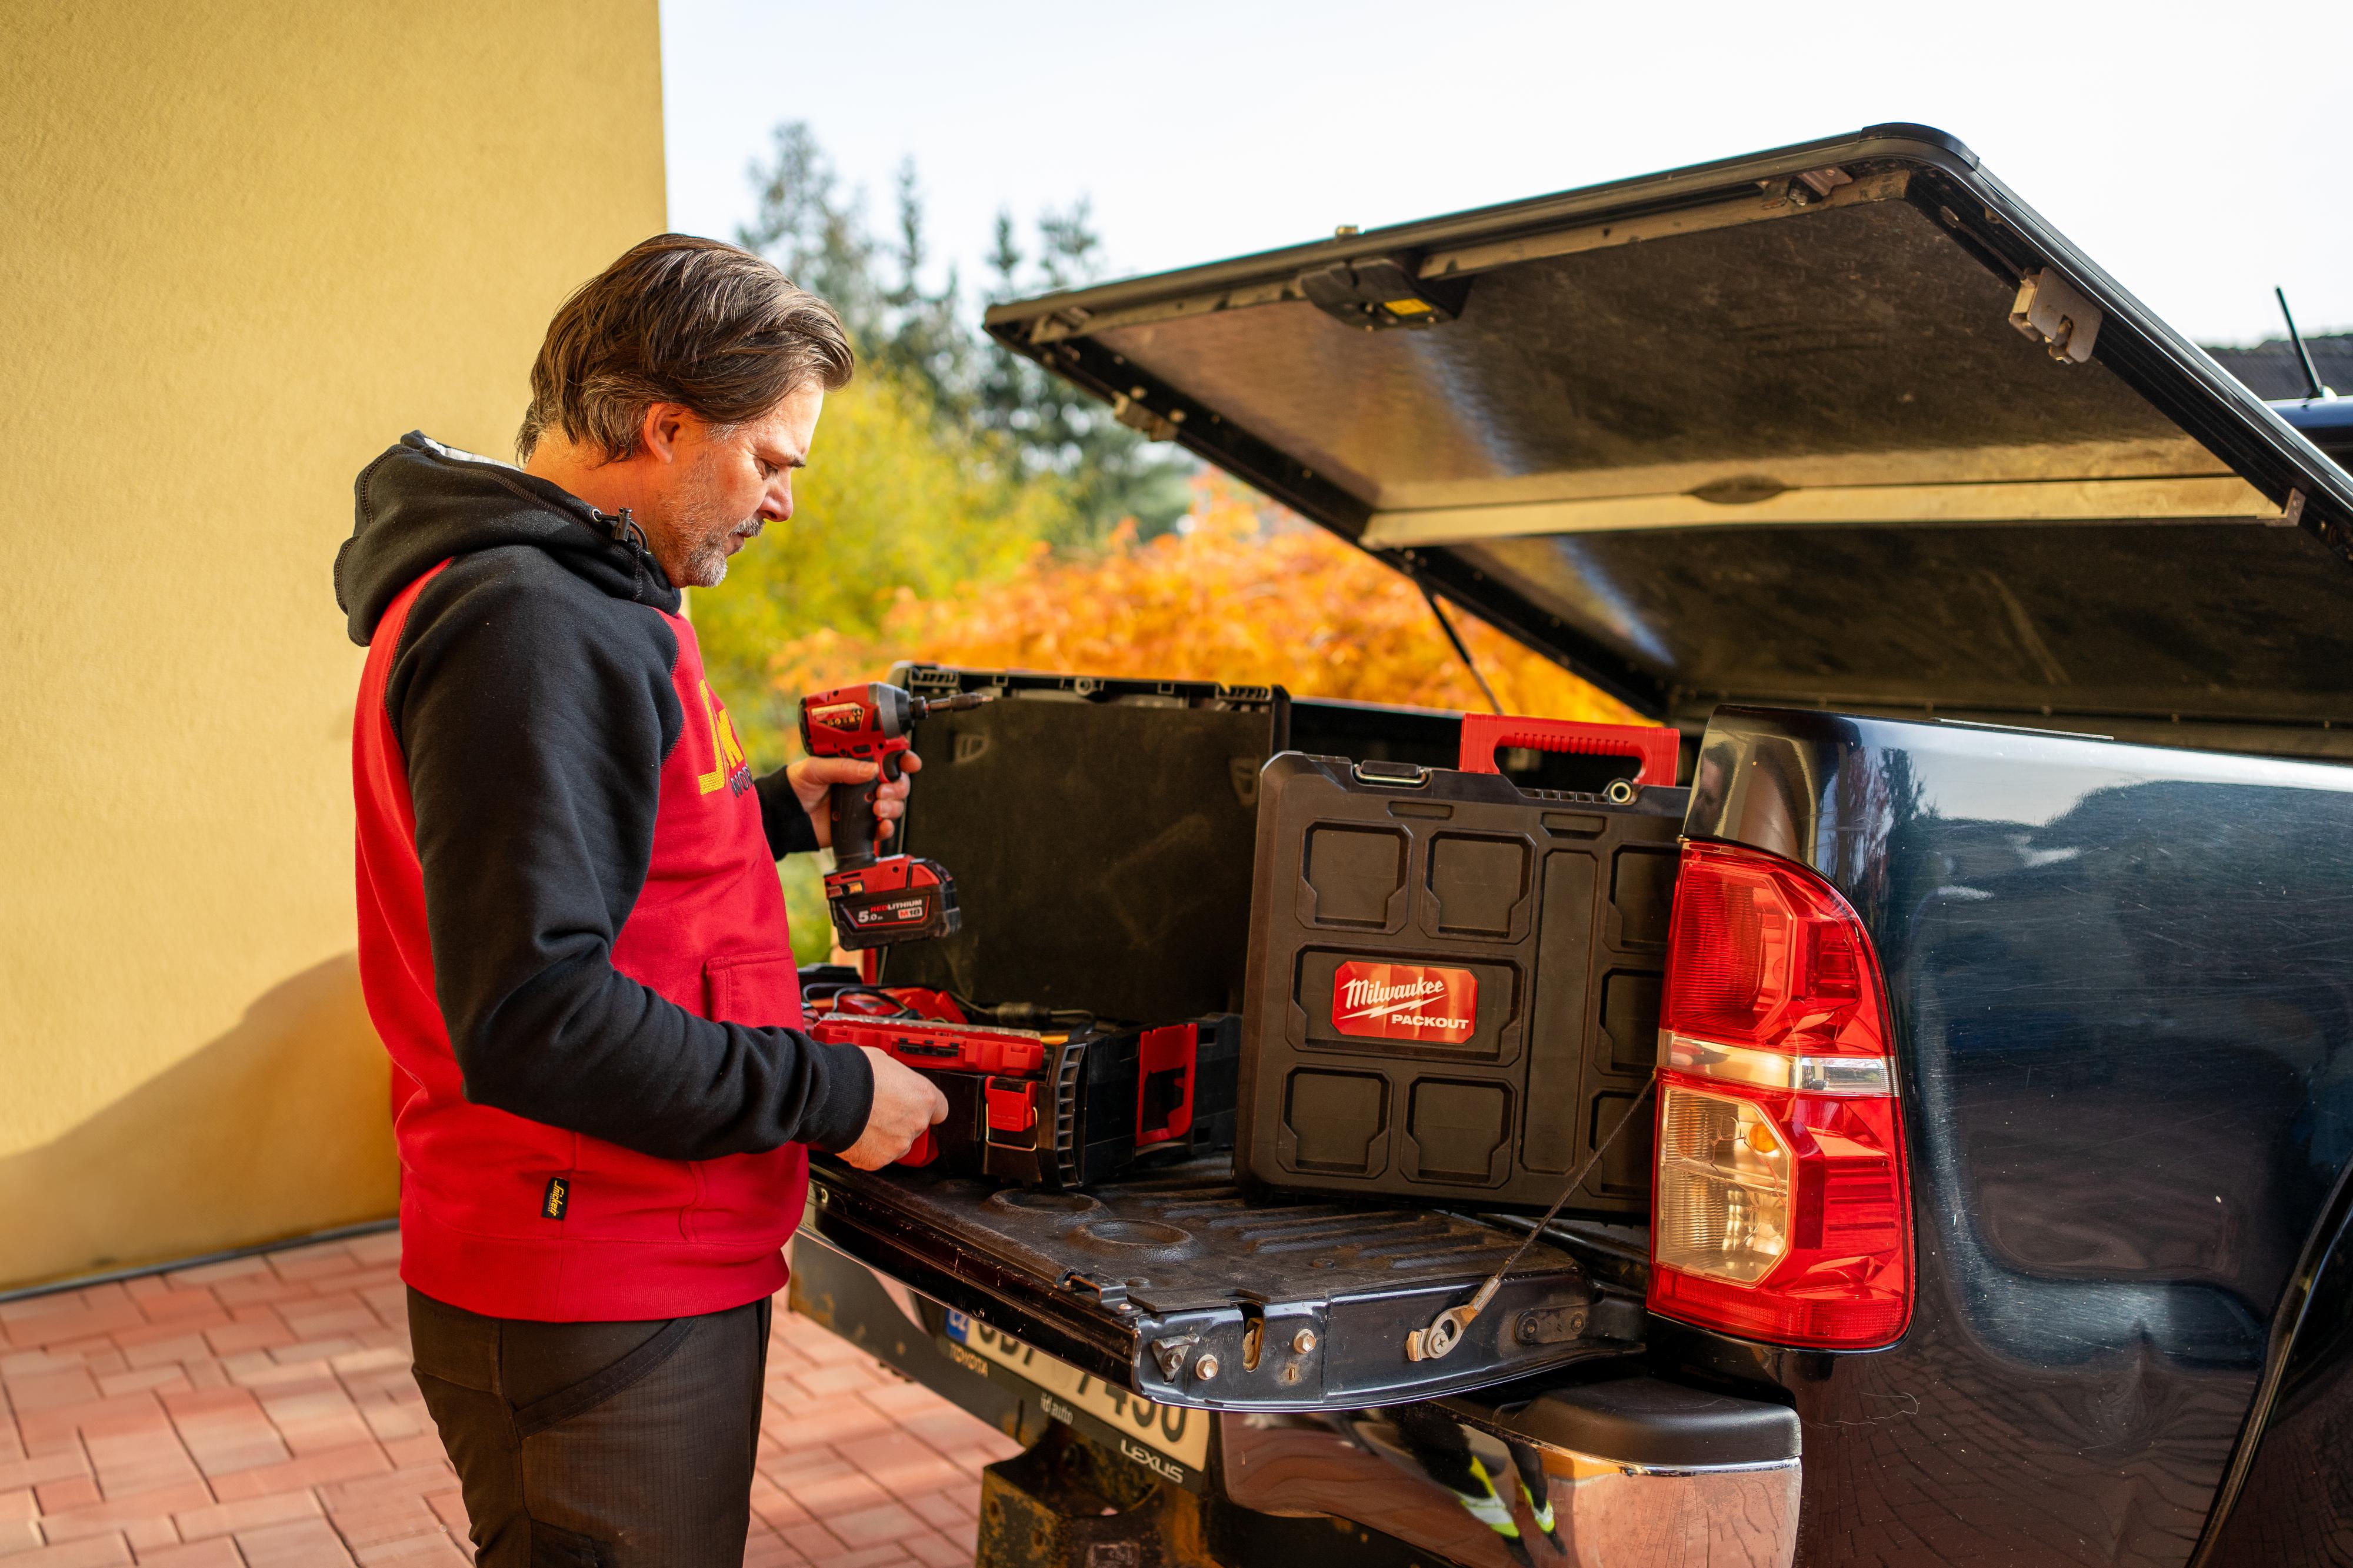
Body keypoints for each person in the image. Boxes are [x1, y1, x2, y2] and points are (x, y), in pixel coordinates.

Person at [334, 234, 950, 1567]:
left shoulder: (573, 589)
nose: (784, 500)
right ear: (665, 425)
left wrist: (782, 807)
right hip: (596, 1270)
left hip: (617, 1247)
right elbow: (537, 1010)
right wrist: (834, 1096)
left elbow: (597, 856)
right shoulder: (534, 619)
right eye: (771, 460)